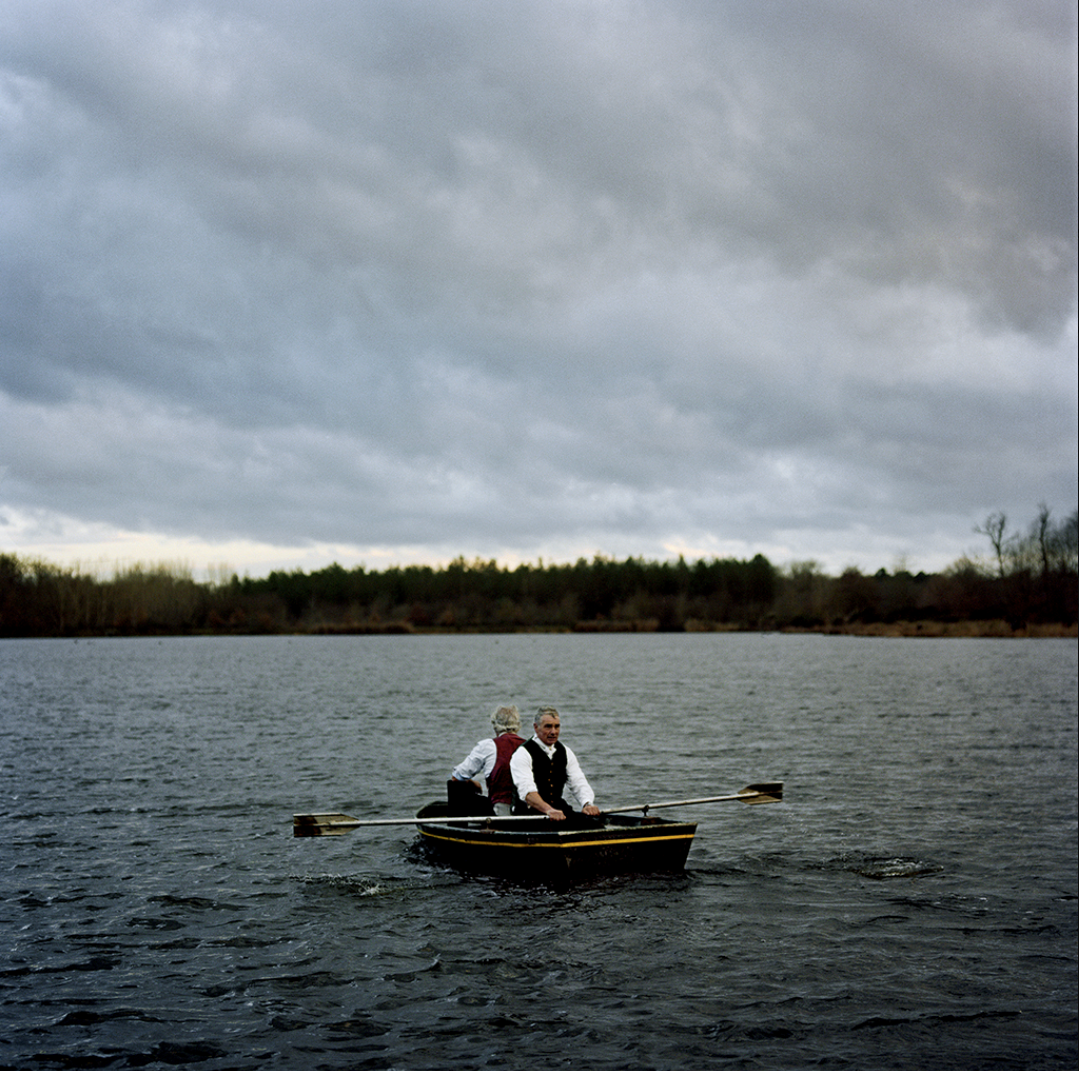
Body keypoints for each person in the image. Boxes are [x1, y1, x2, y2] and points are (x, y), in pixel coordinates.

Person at [509, 706, 601, 822]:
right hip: (528, 814)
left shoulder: (565, 752)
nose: (553, 732)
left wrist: (587, 803)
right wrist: (548, 810)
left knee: (594, 824)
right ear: (536, 727)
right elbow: (527, 793)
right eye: (548, 727)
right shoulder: (522, 754)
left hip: (558, 810)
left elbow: (578, 782)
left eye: (556, 726)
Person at [449, 705, 526, 816]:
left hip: (500, 812)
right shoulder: (530, 746)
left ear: (495, 726)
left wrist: (472, 783)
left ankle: (456, 824)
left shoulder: (488, 746)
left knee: (456, 787)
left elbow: (456, 777)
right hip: (528, 810)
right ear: (518, 725)